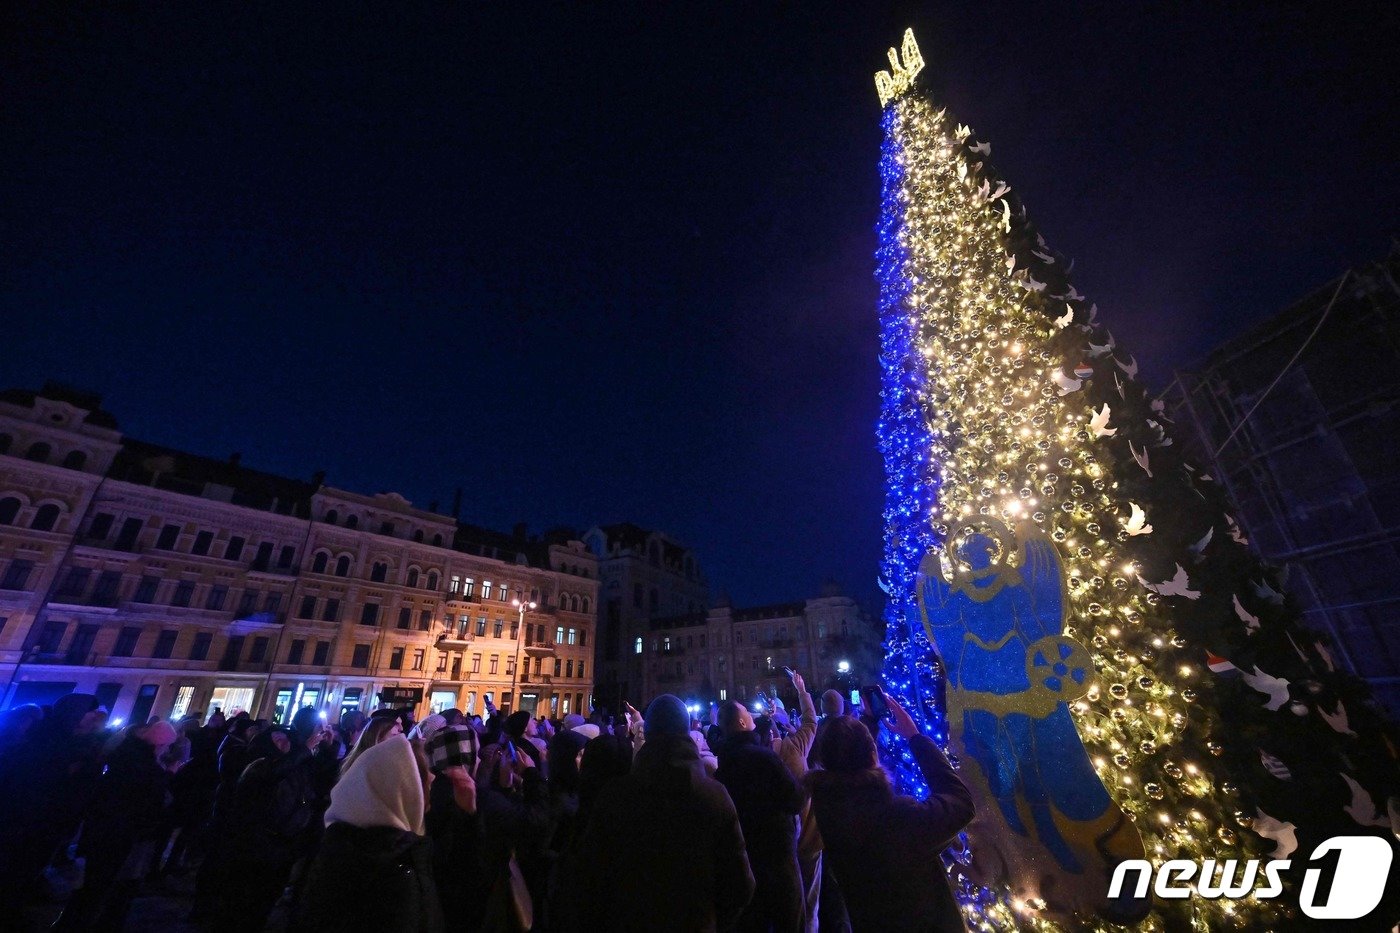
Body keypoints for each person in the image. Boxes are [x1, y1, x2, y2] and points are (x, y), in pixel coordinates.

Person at [572, 694, 754, 932]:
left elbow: (588, 878)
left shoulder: (616, 796)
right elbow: (740, 886)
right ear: (687, 731)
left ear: (647, 734)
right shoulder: (714, 796)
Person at [805, 693, 974, 932]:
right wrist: (915, 737)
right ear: (873, 754)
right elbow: (961, 803)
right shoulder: (898, 818)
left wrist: (869, 721)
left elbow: (851, 766)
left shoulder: (828, 806)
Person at [297, 734, 444, 933]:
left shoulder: (343, 845)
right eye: (423, 772)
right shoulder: (395, 871)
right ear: (401, 788)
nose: (433, 777)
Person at [53, 720, 178, 932]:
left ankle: (71, 920)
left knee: (91, 878)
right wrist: (167, 776)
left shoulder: (125, 753)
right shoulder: (146, 767)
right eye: (165, 745)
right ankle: (77, 923)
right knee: (101, 880)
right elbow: (148, 800)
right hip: (121, 829)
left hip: (103, 823)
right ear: (159, 744)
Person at [716, 701, 806, 933]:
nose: (751, 713)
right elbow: (795, 799)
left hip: (746, 860)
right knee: (790, 921)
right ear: (741, 722)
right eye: (746, 711)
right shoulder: (765, 758)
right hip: (778, 857)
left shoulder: (723, 764)